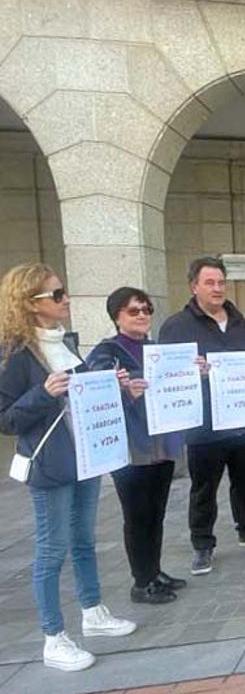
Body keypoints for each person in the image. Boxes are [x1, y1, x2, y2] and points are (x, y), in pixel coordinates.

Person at [0, 264, 136, 671]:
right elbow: (6, 419)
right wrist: (42, 393)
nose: (66, 300)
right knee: (51, 549)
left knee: (84, 540)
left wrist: (116, 386)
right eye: (56, 295)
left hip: (85, 457)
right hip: (51, 465)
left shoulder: (66, 343)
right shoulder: (15, 355)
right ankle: (52, 636)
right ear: (31, 304)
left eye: (63, 292)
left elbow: (79, 400)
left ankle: (93, 610)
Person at [160, 257, 245, 576]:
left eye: (221, 282)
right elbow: (167, 375)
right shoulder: (176, 326)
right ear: (194, 286)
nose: (217, 289)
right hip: (204, 425)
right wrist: (192, 373)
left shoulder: (240, 322)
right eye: (209, 283)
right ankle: (203, 545)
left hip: (241, 421)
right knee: (204, 487)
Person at [85, 287, 190, 604]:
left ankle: (153, 570)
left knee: (155, 513)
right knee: (137, 515)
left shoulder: (158, 350)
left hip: (161, 444)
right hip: (130, 449)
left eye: (146, 309)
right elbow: (93, 396)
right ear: (116, 316)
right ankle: (141, 582)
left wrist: (194, 373)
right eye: (134, 311)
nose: (143, 315)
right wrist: (121, 390)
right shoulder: (106, 354)